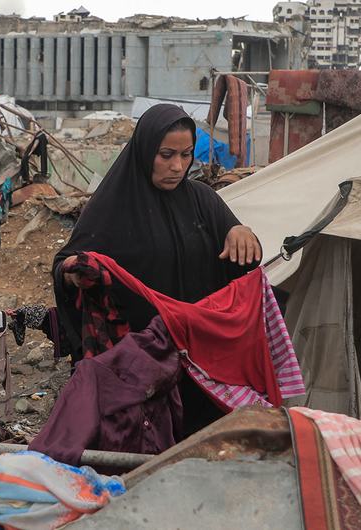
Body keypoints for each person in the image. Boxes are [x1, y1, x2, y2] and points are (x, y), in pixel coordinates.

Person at [52, 104, 263, 435]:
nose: (177, 166)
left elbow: (242, 262)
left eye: (185, 154)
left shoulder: (202, 199)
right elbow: (68, 262)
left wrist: (242, 233)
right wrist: (72, 272)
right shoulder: (112, 208)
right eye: (166, 155)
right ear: (145, 150)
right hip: (139, 365)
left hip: (199, 363)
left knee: (200, 444)